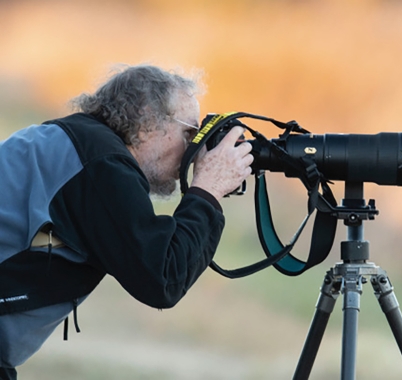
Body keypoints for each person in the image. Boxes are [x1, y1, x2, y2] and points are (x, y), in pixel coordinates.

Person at [0, 64, 254, 379]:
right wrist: (209, 189)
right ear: (148, 120)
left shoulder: (72, 143)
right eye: (189, 132)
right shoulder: (100, 164)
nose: (194, 148)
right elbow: (162, 277)